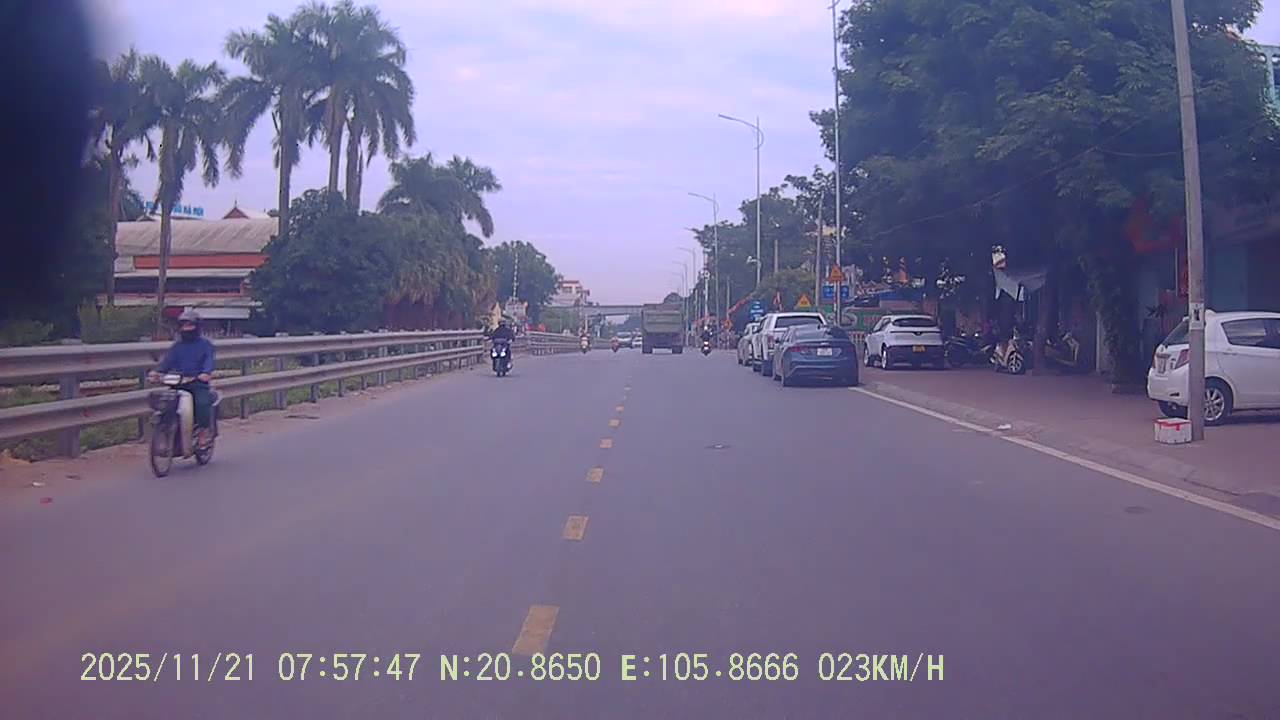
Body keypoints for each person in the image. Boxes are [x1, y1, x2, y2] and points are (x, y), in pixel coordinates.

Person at [149, 310, 216, 448]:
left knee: (202, 403)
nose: (186, 328)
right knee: (166, 403)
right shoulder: (177, 346)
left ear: (197, 327)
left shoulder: (205, 344)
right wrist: (156, 372)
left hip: (198, 383)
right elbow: (167, 362)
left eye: (190, 325)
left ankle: (202, 433)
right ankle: (168, 432)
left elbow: (209, 360)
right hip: (178, 383)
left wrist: (205, 373)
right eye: (184, 325)